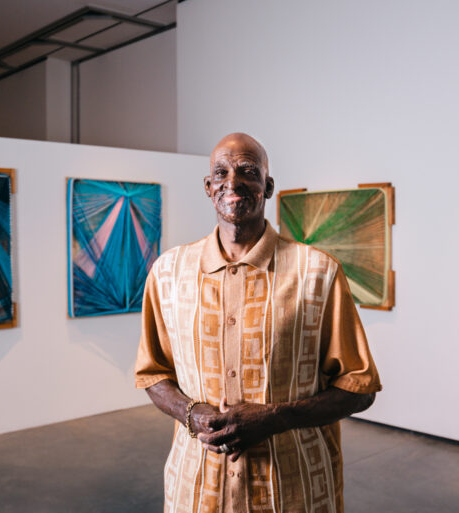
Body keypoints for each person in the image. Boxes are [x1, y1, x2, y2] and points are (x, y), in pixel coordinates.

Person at [135, 132, 381, 513]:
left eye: (247, 171)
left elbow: (360, 388)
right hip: (198, 492)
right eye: (221, 173)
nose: (232, 183)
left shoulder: (318, 273)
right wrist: (191, 413)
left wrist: (275, 416)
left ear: (267, 186)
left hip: (292, 490)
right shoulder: (168, 273)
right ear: (208, 186)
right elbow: (153, 374)